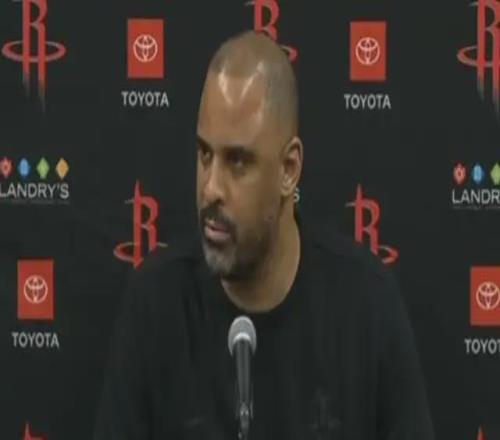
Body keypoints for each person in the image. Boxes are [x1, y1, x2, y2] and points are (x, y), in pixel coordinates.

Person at [93, 30, 435, 440]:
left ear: (289, 170)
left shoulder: (367, 306)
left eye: (238, 161)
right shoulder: (155, 304)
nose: (211, 188)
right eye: (204, 154)